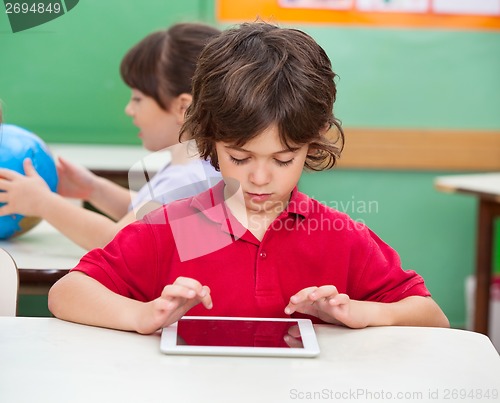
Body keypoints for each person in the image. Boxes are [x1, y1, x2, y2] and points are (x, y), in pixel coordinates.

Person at [48, 22, 449, 334]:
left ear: (311, 144)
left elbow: (432, 317)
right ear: (210, 141)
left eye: (283, 159)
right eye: (239, 157)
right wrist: (142, 314)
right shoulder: (176, 228)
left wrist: (359, 312)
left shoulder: (339, 237)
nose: (260, 178)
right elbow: (67, 293)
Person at [0, 23, 221, 250]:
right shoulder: (198, 169)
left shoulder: (187, 180)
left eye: (137, 99)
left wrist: (43, 203)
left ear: (183, 108)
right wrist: (95, 189)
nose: (129, 109)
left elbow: (118, 242)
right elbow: (147, 214)